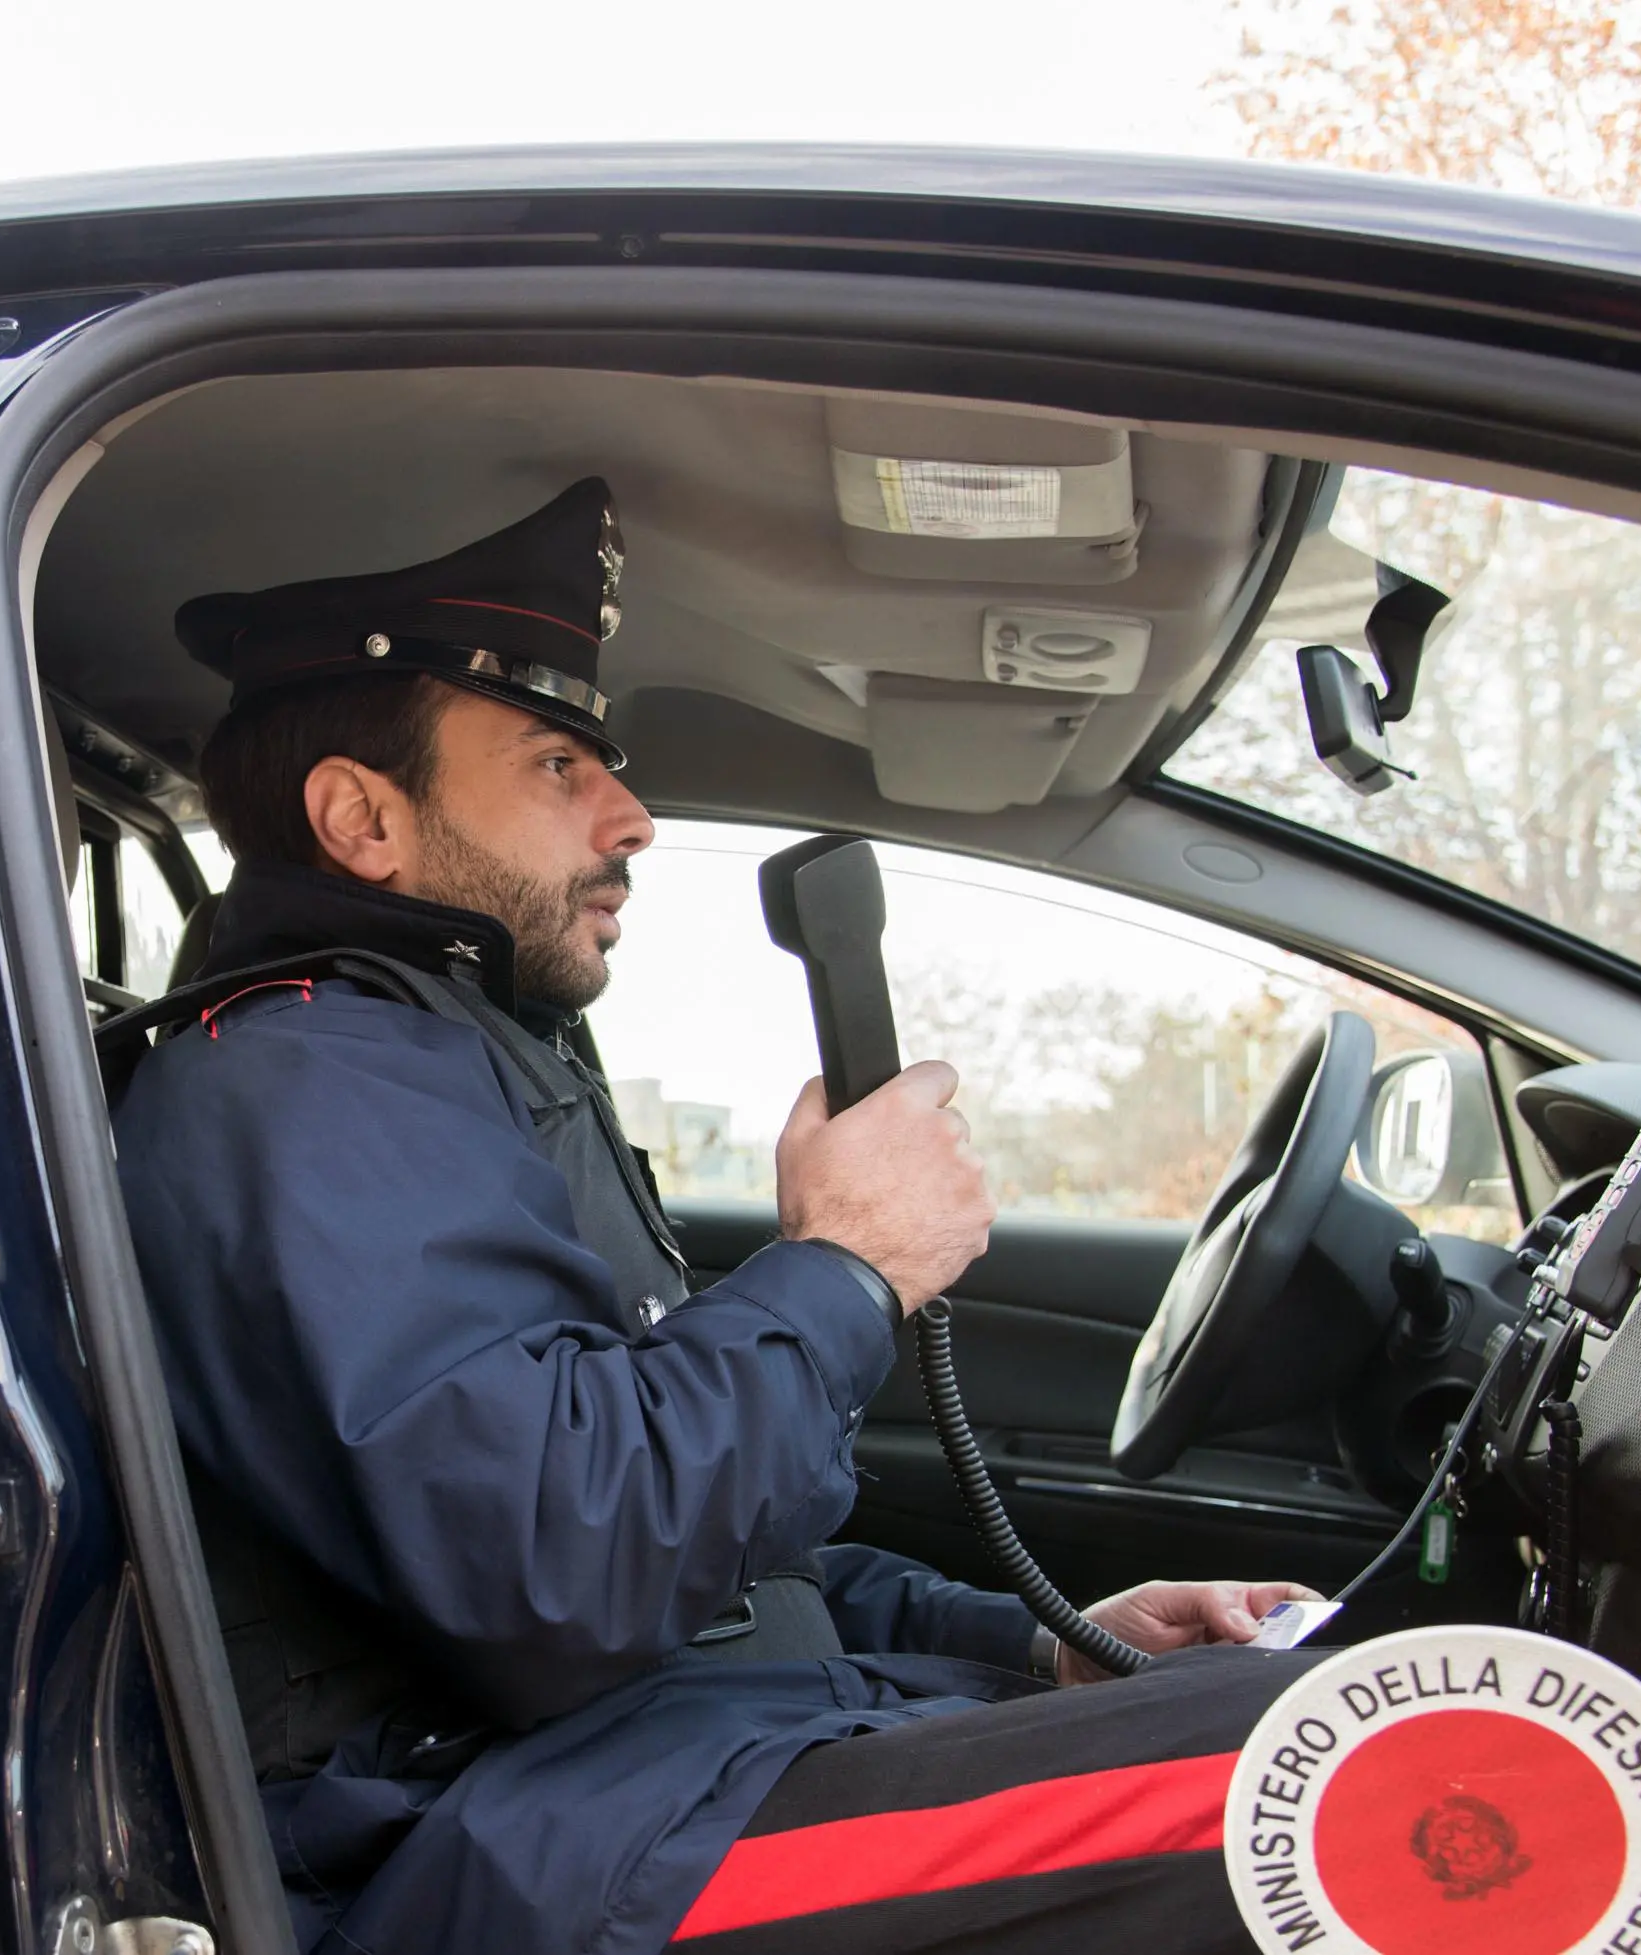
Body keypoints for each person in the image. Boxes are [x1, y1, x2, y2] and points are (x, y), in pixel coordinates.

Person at [111, 478, 1326, 1955]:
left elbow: (721, 1584)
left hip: (644, 1779)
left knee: (1318, 1718)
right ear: (364, 817)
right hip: (507, 1855)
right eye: (557, 762)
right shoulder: (303, 1085)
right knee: (1349, 1774)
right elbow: (560, 1565)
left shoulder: (459, 1061)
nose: (631, 816)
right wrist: (845, 1265)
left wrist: (1043, 1646)